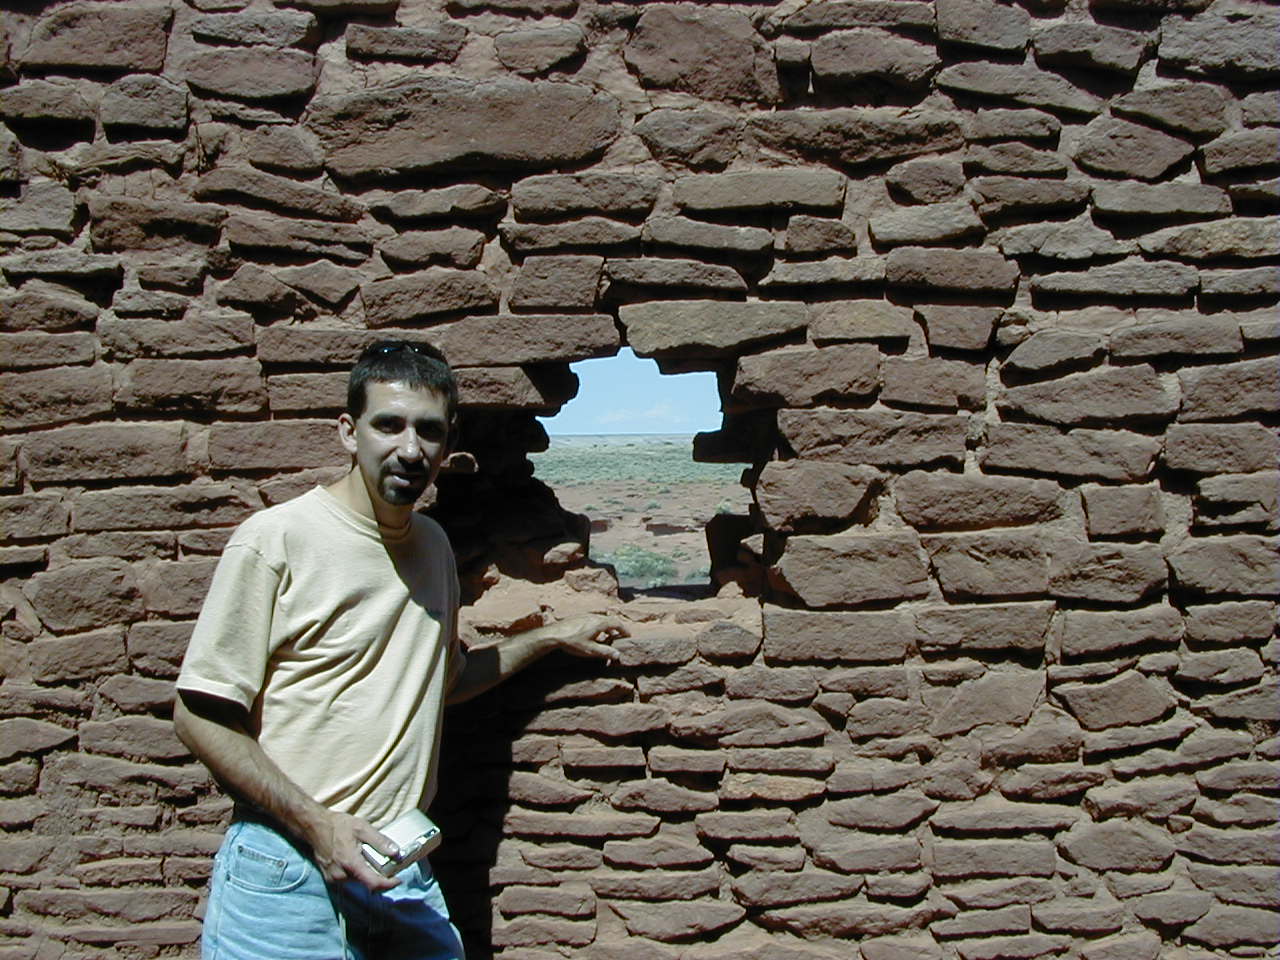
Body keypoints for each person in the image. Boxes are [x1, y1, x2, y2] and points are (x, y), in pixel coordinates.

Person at [173, 339, 624, 960]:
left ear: (448, 442)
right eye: (389, 425)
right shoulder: (278, 540)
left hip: (399, 868)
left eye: (428, 431)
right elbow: (198, 715)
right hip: (290, 871)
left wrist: (548, 638)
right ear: (348, 431)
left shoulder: (432, 547)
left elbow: (446, 680)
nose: (410, 450)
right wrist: (317, 826)